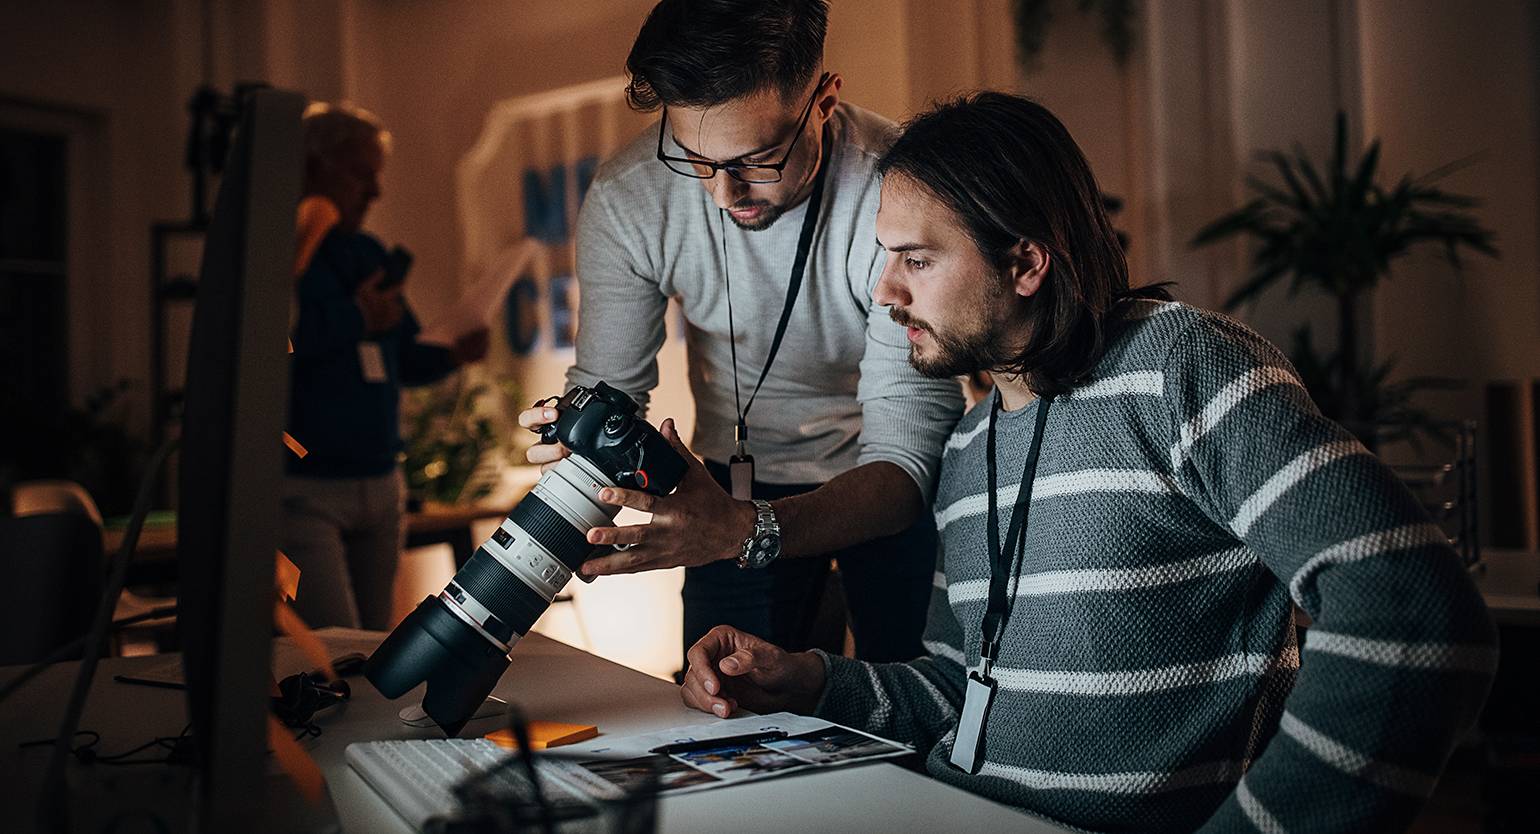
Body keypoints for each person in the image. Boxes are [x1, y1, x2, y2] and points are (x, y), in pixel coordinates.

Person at [678, 93, 1498, 834]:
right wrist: (812, 682)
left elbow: (1413, 614)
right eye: (886, 256)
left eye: (916, 260)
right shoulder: (966, 447)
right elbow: (963, 689)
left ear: (1025, 264)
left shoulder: (1183, 367)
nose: (885, 291)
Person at [519, 0, 963, 665]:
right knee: (724, 697)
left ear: (823, 101)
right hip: (734, 480)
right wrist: (577, 439)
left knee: (915, 692)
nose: (723, 195)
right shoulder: (628, 197)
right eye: (694, 158)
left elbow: (904, 459)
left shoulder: (899, 188)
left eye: (757, 160)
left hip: (889, 477)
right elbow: (611, 393)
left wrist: (746, 530)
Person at [284, 102, 489, 630]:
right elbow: (270, 344)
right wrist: (355, 316)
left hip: (380, 481)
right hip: (305, 488)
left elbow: (405, 356)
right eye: (361, 174)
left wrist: (452, 352)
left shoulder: (368, 252)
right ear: (314, 168)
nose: (375, 192)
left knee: (374, 641)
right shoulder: (282, 252)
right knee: (333, 643)